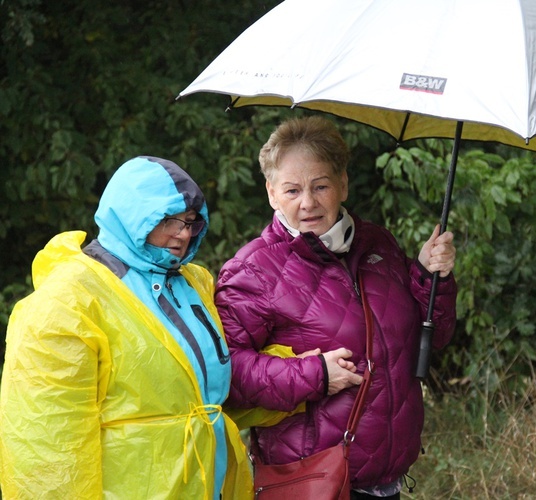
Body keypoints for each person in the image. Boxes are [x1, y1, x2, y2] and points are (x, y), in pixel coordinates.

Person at [214, 116, 458, 498]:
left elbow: (434, 336)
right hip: (311, 480)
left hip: (385, 480)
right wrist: (314, 375)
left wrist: (429, 276)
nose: (308, 203)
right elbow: (223, 372)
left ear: (343, 183)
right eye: (292, 190)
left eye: (321, 186)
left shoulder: (378, 244)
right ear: (271, 193)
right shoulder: (253, 270)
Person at [0, 156, 256, 499]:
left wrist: (308, 371)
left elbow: (215, 393)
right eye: (169, 221)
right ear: (132, 216)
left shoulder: (193, 284)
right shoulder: (67, 301)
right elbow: (47, 450)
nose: (182, 233)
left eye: (191, 222)